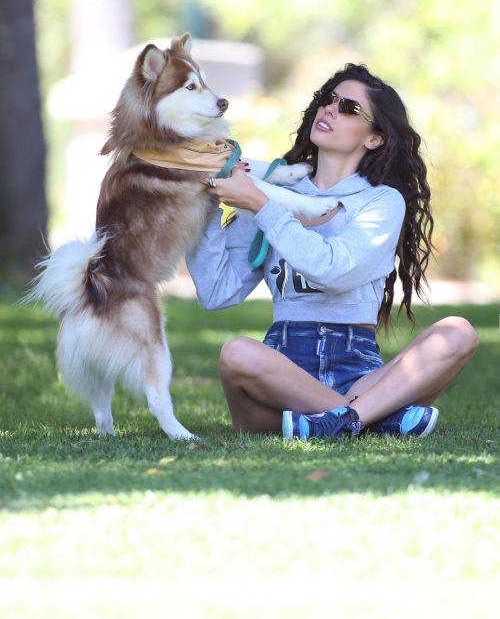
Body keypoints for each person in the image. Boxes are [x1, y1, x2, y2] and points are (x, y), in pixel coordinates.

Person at [185, 63, 479, 440]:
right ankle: (369, 418)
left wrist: (261, 205)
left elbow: (334, 269)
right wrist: (204, 201)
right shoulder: (269, 190)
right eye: (328, 99)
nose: (330, 109)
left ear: (374, 138)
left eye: (349, 108)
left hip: (359, 375)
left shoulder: (380, 202)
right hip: (280, 382)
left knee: (458, 332)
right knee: (237, 353)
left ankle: (341, 420)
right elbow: (216, 291)